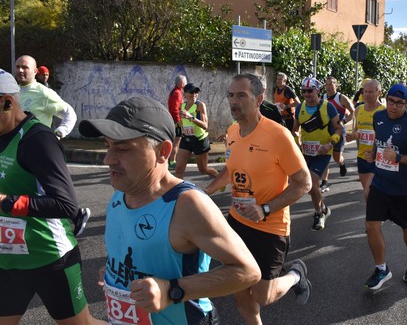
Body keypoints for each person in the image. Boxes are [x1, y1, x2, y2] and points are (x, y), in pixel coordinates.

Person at [79, 96, 261, 324]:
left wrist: (172, 290)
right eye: (107, 145)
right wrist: (115, 275)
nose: (108, 159)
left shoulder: (187, 204)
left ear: (163, 151)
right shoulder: (121, 194)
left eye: (122, 149)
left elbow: (247, 271)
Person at [205, 73, 313, 324]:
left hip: (270, 227)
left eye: (241, 95)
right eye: (231, 95)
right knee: (240, 292)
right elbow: (231, 169)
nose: (234, 101)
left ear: (258, 99)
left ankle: (296, 273)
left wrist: (265, 208)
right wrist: (207, 190)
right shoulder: (232, 132)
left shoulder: (278, 136)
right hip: (237, 222)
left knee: (263, 296)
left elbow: (304, 183)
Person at [0, 69, 105, 324]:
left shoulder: (38, 140)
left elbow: (66, 204)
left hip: (50, 257)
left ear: (7, 101)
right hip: (7, 261)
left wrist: (6, 201)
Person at [363, 84, 407, 288]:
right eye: (391, 101)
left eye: (399, 103)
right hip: (381, 183)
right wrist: (374, 153)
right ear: (386, 100)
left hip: (405, 188)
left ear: (406, 103)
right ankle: (382, 269)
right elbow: (380, 139)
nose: (394, 107)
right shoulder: (378, 117)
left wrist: (399, 157)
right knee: (371, 226)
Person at [14, 55, 89, 237]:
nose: (20, 71)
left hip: (38, 151)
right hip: (14, 149)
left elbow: (69, 113)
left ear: (35, 71)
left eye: (25, 67)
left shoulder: (43, 93)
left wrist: (59, 133)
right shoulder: (13, 91)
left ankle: (72, 219)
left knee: (51, 194)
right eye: (17, 67)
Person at [293, 77, 342, 231]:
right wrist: (296, 141)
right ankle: (324, 210)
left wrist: (330, 144)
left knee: (312, 183)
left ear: (317, 90)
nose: (307, 94)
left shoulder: (328, 107)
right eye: (304, 91)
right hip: (306, 153)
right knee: (310, 187)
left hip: (323, 153)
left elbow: (339, 129)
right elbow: (295, 129)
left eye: (310, 91)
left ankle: (318, 213)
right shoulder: (299, 108)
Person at [346, 79, 385, 200]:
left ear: (379, 92)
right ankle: (376, 217)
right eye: (365, 92)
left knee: (369, 192)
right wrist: (352, 136)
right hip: (362, 156)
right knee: (368, 194)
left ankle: (376, 216)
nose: (367, 95)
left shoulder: (384, 111)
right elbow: (357, 131)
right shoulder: (359, 110)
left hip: (378, 157)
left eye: (371, 92)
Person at [175, 83, 219, 180]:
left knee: (203, 169)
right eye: (191, 92)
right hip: (186, 139)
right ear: (185, 94)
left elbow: (205, 126)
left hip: (200, 140)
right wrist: (179, 126)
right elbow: (182, 123)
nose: (194, 94)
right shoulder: (182, 106)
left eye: (196, 92)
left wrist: (191, 117)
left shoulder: (200, 105)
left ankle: (218, 178)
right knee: (178, 169)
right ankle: (178, 193)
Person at [320, 76, 355, 191]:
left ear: (336, 85)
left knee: (336, 157)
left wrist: (343, 121)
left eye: (331, 84)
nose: (329, 87)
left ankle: (341, 163)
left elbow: (352, 112)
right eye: (327, 85)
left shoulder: (341, 98)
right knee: (324, 155)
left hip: (339, 130)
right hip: (326, 130)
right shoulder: (323, 98)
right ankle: (324, 182)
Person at [167, 74, 187, 169]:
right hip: (176, 121)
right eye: (185, 82)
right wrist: (179, 122)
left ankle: (172, 160)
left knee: (175, 141)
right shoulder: (177, 93)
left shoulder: (174, 92)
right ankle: (172, 162)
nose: (186, 83)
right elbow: (175, 109)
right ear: (182, 83)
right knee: (176, 141)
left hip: (174, 120)